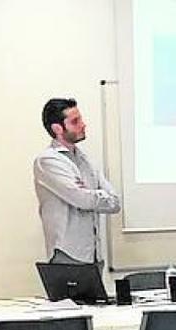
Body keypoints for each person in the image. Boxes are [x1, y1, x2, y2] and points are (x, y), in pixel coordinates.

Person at [33, 97, 121, 265]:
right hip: (68, 254)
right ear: (57, 128)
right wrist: (93, 194)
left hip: (94, 254)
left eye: (80, 119)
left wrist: (90, 194)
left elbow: (115, 202)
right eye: (75, 121)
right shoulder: (48, 160)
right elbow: (83, 200)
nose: (83, 124)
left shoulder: (85, 160)